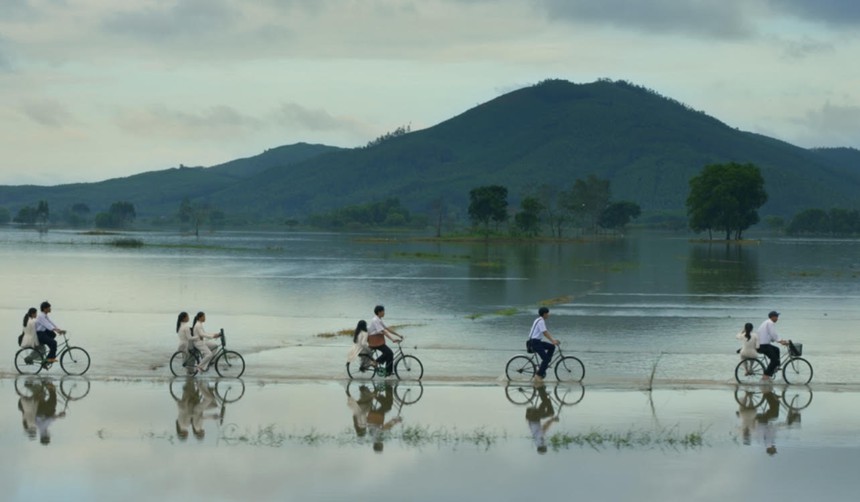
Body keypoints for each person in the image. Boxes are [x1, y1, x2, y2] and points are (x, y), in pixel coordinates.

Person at [367, 305, 403, 377]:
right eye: (383, 311)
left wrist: (398, 335)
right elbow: (383, 332)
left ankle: (388, 372)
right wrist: (392, 339)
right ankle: (374, 362)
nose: (384, 313)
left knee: (389, 353)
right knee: (389, 352)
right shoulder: (375, 320)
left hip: (378, 340)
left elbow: (387, 329)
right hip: (374, 341)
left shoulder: (379, 319)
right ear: (379, 312)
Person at [527, 307, 559, 383]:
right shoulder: (541, 321)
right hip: (534, 342)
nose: (549, 314)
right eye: (548, 313)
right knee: (546, 359)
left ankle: (543, 366)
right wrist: (553, 340)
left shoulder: (538, 319)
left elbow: (545, 332)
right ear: (544, 314)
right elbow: (545, 333)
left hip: (536, 341)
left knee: (551, 347)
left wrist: (553, 341)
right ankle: (538, 375)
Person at [366, 383, 402, 452]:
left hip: (376, 417)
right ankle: (378, 395)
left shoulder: (377, 438)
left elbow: (386, 427)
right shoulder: (373, 437)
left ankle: (385, 389)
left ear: (378, 445)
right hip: (373, 416)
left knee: (388, 405)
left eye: (381, 446)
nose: (382, 444)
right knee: (386, 405)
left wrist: (396, 420)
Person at [756, 311, 788, 381]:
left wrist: (781, 340)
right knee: (774, 360)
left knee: (776, 349)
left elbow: (770, 336)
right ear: (772, 317)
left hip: (763, 344)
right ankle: (766, 375)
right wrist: (780, 341)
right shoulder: (770, 323)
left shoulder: (767, 322)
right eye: (776, 317)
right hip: (763, 345)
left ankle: (776, 366)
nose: (777, 318)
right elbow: (773, 333)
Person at [526, 385, 558, 453]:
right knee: (546, 404)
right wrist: (551, 419)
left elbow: (544, 427)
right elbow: (543, 428)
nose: (545, 445)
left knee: (550, 411)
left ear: (543, 447)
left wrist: (552, 419)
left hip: (534, 416)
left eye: (545, 446)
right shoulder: (537, 441)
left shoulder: (540, 440)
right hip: (531, 416)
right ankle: (541, 391)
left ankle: (540, 389)